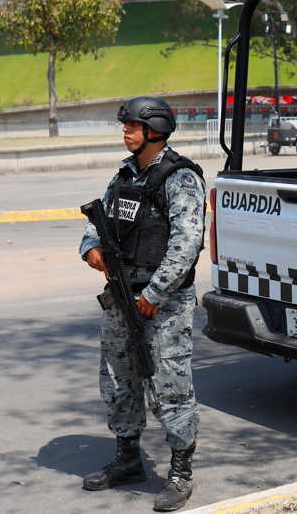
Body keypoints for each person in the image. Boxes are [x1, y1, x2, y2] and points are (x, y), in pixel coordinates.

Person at [78, 96, 205, 512]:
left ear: (155, 130)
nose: (125, 132)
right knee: (119, 378)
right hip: (121, 297)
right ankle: (128, 458)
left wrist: (154, 294)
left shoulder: (180, 178)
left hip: (161, 303)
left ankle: (181, 471)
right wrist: (91, 249)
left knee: (169, 384)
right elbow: (98, 222)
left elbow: (187, 243)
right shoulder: (124, 176)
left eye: (133, 125)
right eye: (126, 125)